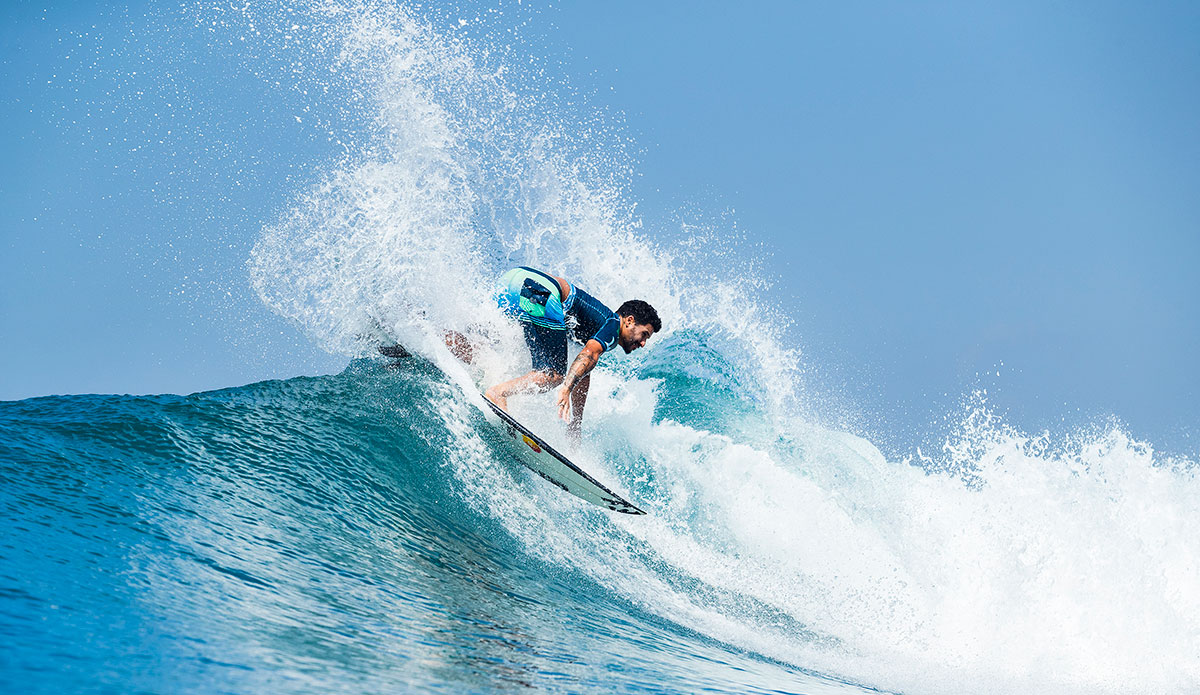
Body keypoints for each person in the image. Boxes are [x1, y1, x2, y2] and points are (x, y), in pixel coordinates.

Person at [484, 266, 661, 441]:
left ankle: (457, 347)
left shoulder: (595, 325)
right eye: (644, 334)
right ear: (629, 321)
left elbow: (584, 370)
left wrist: (576, 423)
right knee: (552, 375)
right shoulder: (612, 325)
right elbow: (589, 354)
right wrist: (565, 389)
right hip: (541, 291)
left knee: (486, 345)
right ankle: (498, 393)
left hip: (514, 281)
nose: (643, 343)